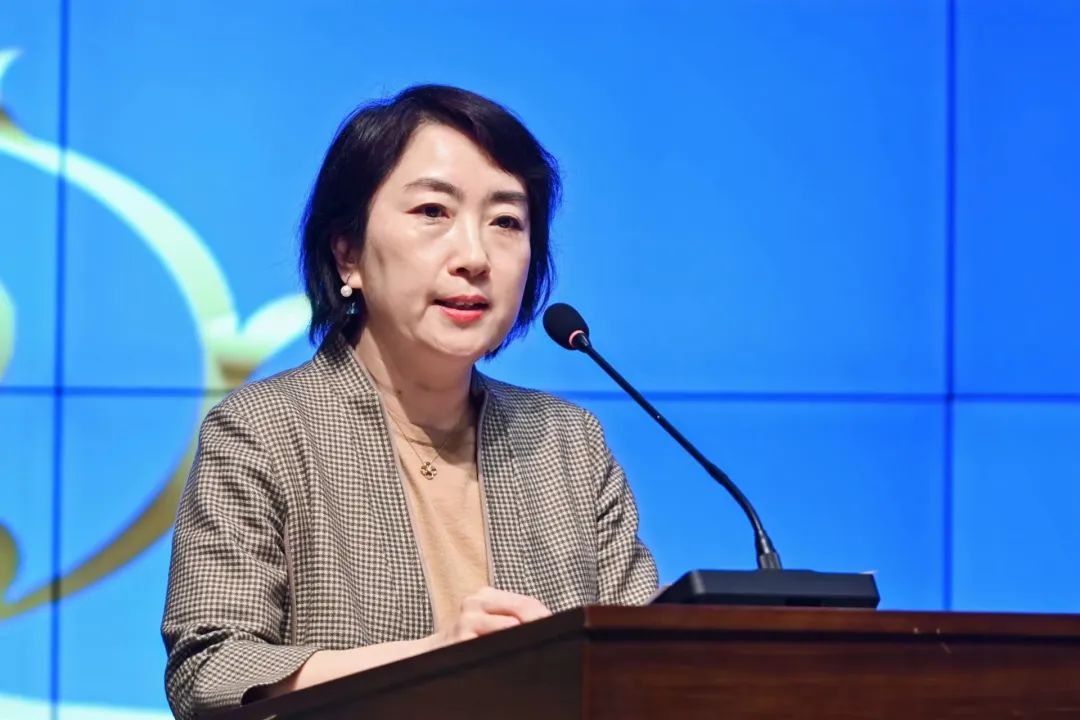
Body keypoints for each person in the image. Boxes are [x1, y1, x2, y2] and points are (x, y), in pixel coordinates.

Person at [160, 84, 658, 720]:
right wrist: (435, 659)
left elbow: (643, 658)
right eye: (432, 211)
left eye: (507, 221)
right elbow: (210, 671)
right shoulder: (264, 430)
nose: (475, 257)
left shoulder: (567, 442)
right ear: (347, 253)